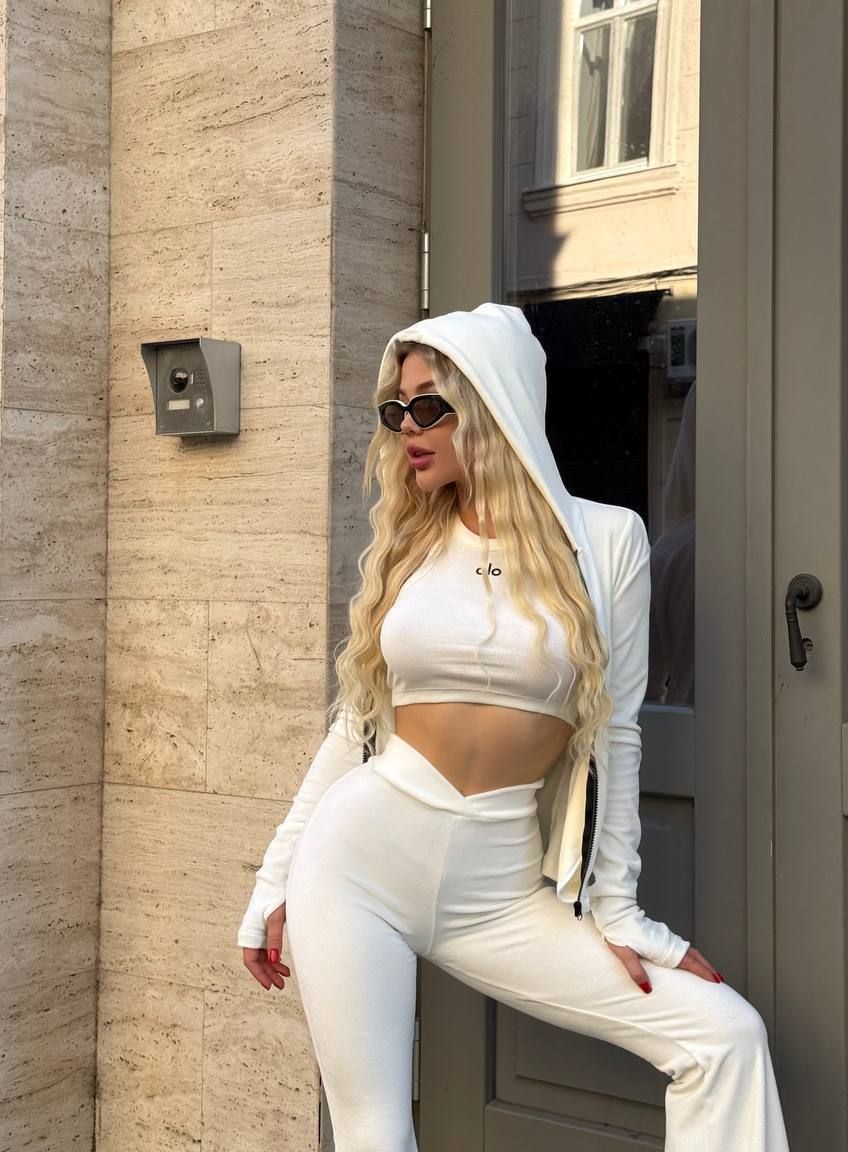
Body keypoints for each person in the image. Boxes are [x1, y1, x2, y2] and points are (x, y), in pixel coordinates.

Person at [237, 301, 790, 1151]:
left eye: (429, 406)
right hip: (357, 864)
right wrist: (272, 884)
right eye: (396, 409)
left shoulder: (607, 542)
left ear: (491, 402)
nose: (406, 427)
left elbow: (618, 735)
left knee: (724, 1037)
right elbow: (356, 727)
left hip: (497, 891)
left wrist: (619, 912)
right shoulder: (413, 547)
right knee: (374, 1133)